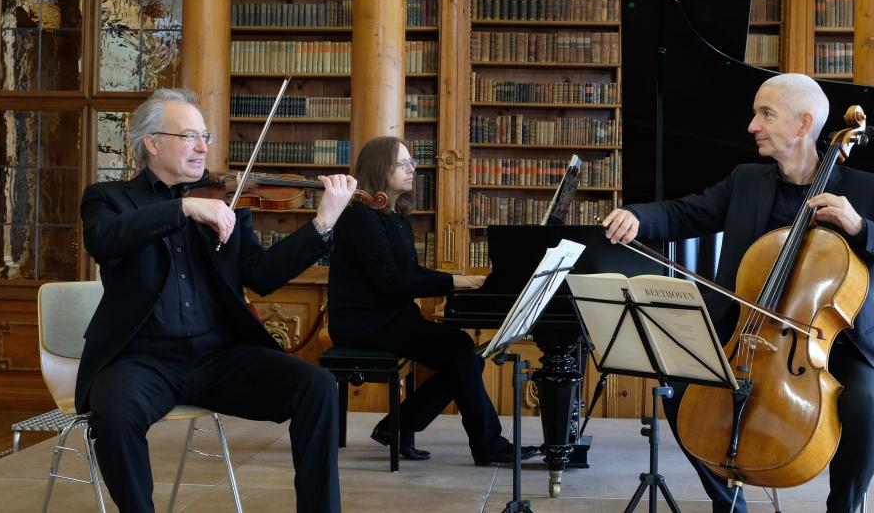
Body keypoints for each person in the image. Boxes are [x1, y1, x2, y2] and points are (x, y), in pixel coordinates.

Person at [602, 73, 874, 513]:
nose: (752, 126)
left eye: (766, 114)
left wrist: (860, 227)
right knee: (683, 394)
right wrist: (637, 217)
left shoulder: (863, 189)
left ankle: (844, 507)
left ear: (804, 125)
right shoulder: (747, 180)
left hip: (838, 347)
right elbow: (685, 213)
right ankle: (728, 504)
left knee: (859, 405)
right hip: (747, 335)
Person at [77, 88, 356, 513]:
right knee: (114, 416)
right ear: (153, 142)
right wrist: (183, 209)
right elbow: (105, 241)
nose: (203, 147)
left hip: (219, 356)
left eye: (204, 136)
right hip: (141, 359)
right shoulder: (109, 199)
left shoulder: (225, 203)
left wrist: (322, 223)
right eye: (190, 136)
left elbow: (262, 276)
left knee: (316, 386)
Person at [327, 136, 540, 466]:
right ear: (380, 169)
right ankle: (485, 444)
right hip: (363, 323)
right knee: (463, 352)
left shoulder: (396, 217)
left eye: (412, 162)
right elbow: (391, 282)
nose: (413, 169)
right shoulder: (361, 218)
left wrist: (463, 283)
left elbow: (410, 271)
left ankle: (398, 426)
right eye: (404, 163)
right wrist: (459, 281)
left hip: (391, 317)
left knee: (465, 354)